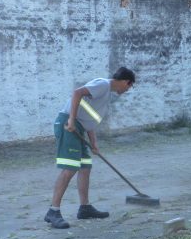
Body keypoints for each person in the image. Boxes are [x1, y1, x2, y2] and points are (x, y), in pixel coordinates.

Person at [44, 67, 136, 229]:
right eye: (130, 86)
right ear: (126, 82)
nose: (128, 90)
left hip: (79, 127)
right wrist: (71, 120)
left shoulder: (106, 93)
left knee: (85, 167)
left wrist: (94, 143)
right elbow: (77, 93)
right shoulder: (103, 85)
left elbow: (89, 119)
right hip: (68, 124)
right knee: (70, 168)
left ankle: (84, 208)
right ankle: (53, 211)